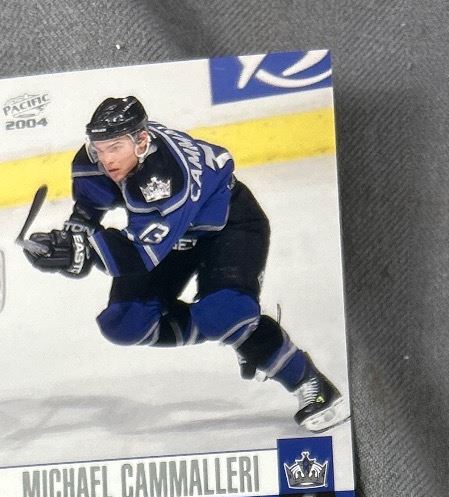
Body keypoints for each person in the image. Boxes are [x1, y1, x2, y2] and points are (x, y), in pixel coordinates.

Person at [22, 96, 347, 431]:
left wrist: (83, 253)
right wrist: (68, 239)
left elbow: (138, 254)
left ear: (141, 140)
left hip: (228, 227)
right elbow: (89, 209)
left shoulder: (165, 178)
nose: (106, 159)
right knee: (125, 324)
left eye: (115, 148)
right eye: (99, 149)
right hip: (171, 237)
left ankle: (309, 380)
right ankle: (239, 328)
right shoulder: (97, 157)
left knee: (221, 314)